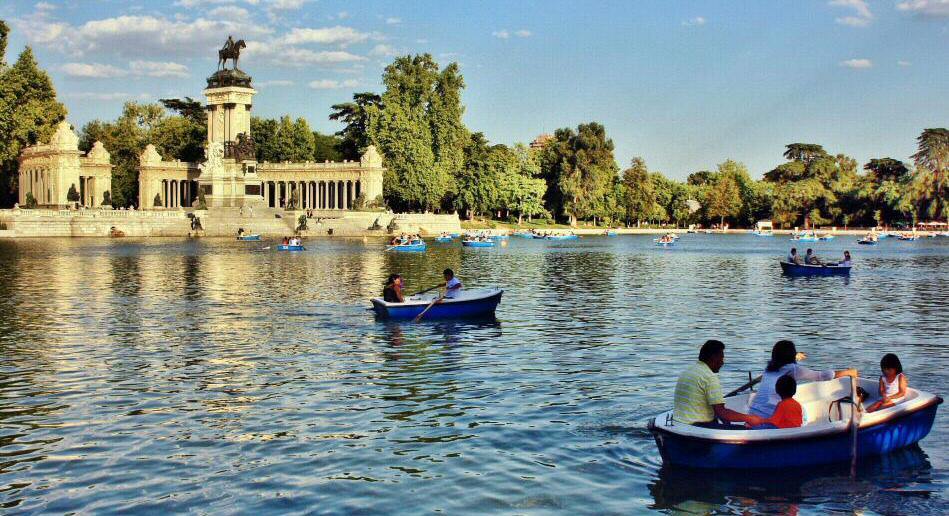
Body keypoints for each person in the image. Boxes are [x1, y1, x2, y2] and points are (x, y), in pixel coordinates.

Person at [748, 340, 857, 418]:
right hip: (771, 416)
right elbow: (822, 376)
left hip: (753, 413)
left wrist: (795, 357)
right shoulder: (794, 369)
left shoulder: (768, 369)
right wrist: (848, 372)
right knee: (803, 414)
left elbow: (783, 360)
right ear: (791, 355)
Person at [672, 340, 764, 429]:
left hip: (681, 423)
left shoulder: (689, 370)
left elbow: (718, 412)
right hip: (698, 426)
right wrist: (749, 418)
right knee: (747, 430)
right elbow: (721, 412)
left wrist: (727, 423)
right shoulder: (709, 377)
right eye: (721, 358)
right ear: (714, 358)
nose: (722, 362)